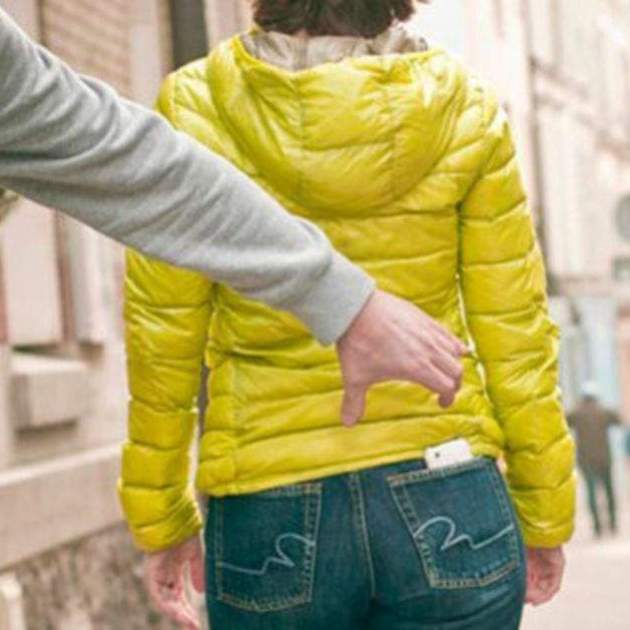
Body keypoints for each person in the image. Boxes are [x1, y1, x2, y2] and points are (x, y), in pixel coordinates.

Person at [119, 1, 576, 628]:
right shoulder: (463, 107)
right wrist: (545, 509)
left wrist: (162, 516)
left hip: (267, 500)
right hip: (446, 483)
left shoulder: (197, 106)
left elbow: (162, 334)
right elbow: (516, 330)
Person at [0, 7, 468, 425]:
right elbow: (506, 313)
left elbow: (165, 323)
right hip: (440, 439)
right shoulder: (460, 102)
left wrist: (156, 493)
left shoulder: (196, 95)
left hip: (260, 461)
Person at [568, 381, 621, 537]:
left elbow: (563, 420)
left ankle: (597, 527)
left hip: (586, 460)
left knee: (591, 494)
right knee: (609, 491)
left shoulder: (577, 413)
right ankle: (612, 524)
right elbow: (618, 420)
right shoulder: (603, 411)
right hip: (604, 458)